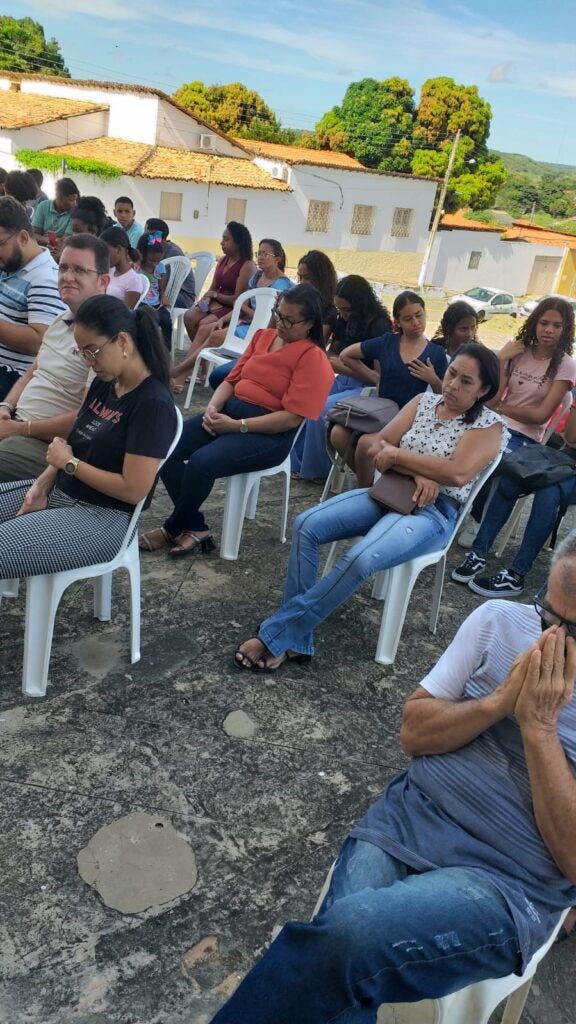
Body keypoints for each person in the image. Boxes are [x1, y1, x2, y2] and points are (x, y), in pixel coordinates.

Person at [211, 535, 576, 1024]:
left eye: (574, 630)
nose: (552, 641)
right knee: (338, 970)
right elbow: (413, 732)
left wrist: (538, 726)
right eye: (548, 616)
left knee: (347, 937)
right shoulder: (498, 621)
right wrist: (496, 704)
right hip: (408, 821)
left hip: (506, 882)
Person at [234, 343, 505, 672]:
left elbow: (457, 473)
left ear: (484, 389)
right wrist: (420, 470)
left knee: (360, 557)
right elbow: (377, 445)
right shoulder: (423, 401)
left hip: (434, 512)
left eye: (466, 382)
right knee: (306, 524)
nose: (451, 386)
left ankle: (277, 636)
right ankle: (296, 639)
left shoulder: (488, 426)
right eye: (451, 374)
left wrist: (401, 458)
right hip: (391, 489)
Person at [139, 284, 334, 557]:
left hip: (267, 433)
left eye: (290, 320)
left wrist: (237, 426)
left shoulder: (313, 359)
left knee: (201, 463)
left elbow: (290, 419)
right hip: (229, 412)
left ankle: (172, 528)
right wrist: (213, 406)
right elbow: (232, 379)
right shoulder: (263, 337)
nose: (281, 323)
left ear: (310, 323)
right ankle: (196, 527)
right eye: (279, 314)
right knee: (167, 447)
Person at [0, 295, 176, 581]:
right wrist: (44, 481)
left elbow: (134, 490)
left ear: (122, 341)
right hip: (63, 492)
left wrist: (69, 464)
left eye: (93, 351)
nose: (89, 362)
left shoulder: (152, 404)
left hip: (105, 518)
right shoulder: (106, 383)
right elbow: (75, 443)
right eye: (83, 353)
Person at [458, 296, 576, 549]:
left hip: (525, 437)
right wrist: (501, 359)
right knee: (454, 443)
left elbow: (540, 416)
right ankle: (451, 506)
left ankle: (477, 519)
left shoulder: (566, 366)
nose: (549, 330)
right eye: (544, 322)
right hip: (492, 422)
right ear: (534, 322)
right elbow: (491, 400)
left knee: (492, 457)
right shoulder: (518, 351)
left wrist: (501, 407)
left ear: (566, 329)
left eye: (557, 325)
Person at [0, 234, 110, 482]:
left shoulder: (104, 337)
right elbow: (32, 373)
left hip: (52, 448)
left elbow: (86, 418)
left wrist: (19, 428)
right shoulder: (62, 320)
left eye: (79, 270)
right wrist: (5, 407)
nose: (67, 277)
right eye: (63, 268)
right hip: (17, 427)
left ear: (103, 281)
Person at [453, 399, 576, 597]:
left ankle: (516, 574)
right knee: (511, 479)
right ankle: (478, 553)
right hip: (565, 458)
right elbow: (571, 435)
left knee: (549, 492)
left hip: (567, 468)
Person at [333, 290, 448, 485]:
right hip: (379, 412)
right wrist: (373, 376)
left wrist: (432, 379)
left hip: (408, 420)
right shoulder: (388, 342)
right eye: (408, 318)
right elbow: (346, 354)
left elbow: (445, 396)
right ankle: (371, 483)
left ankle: (364, 489)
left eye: (419, 315)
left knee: (366, 444)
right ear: (398, 322)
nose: (415, 322)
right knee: (337, 434)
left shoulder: (435, 353)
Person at [291, 275, 392, 481]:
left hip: (365, 388)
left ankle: (318, 470)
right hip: (343, 379)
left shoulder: (378, 326)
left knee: (321, 412)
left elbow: (378, 378)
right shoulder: (344, 321)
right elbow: (334, 352)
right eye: (339, 309)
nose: (342, 315)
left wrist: (345, 368)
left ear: (359, 306)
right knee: (305, 402)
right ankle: (296, 461)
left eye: (346, 310)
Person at [171, 237, 291, 387]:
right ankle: (182, 376)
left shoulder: (283, 285)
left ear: (277, 259)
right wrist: (223, 319)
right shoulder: (257, 276)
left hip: (260, 330)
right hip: (245, 322)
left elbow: (267, 318)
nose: (260, 258)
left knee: (214, 336)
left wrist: (244, 309)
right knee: (205, 329)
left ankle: (179, 372)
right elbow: (240, 306)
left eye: (265, 254)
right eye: (258, 253)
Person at [0, 197, 65, 400]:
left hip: (13, 380)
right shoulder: (10, 267)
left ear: (23, 237)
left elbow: (39, 341)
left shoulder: (46, 278)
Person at [182, 222, 255, 345]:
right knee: (189, 317)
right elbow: (212, 287)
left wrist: (215, 296)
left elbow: (238, 299)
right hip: (216, 302)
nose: (222, 242)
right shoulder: (223, 260)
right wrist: (206, 299)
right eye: (222, 238)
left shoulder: (247, 266)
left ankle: (200, 356)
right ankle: (199, 354)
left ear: (238, 243)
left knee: (203, 324)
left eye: (227, 239)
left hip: (231, 307)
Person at [144, 218, 196, 310]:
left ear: (157, 237)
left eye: (148, 234)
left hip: (182, 296)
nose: (145, 237)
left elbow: (163, 284)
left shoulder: (172, 254)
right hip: (165, 291)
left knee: (145, 302)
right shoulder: (154, 250)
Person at [137, 231, 172, 349]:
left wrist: (163, 295)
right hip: (140, 302)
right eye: (151, 261)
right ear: (141, 254)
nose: (154, 264)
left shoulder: (160, 267)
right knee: (149, 322)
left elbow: (161, 286)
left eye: (157, 261)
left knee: (167, 321)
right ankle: (147, 350)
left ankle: (166, 350)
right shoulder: (136, 267)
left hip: (155, 303)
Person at [296, 250, 338, 341]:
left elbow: (317, 343)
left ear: (321, 279)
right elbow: (271, 331)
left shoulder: (329, 311)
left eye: (307, 278)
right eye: (300, 277)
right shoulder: (296, 302)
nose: (302, 282)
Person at [101, 226, 143, 309]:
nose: (102, 257)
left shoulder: (133, 281)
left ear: (118, 249)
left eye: (105, 252)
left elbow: (125, 316)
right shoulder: (110, 271)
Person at [32, 177, 79, 246]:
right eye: (71, 200)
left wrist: (43, 239)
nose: (74, 204)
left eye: (75, 200)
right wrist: (48, 240)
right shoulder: (43, 206)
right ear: (59, 197)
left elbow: (65, 240)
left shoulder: (74, 213)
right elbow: (34, 234)